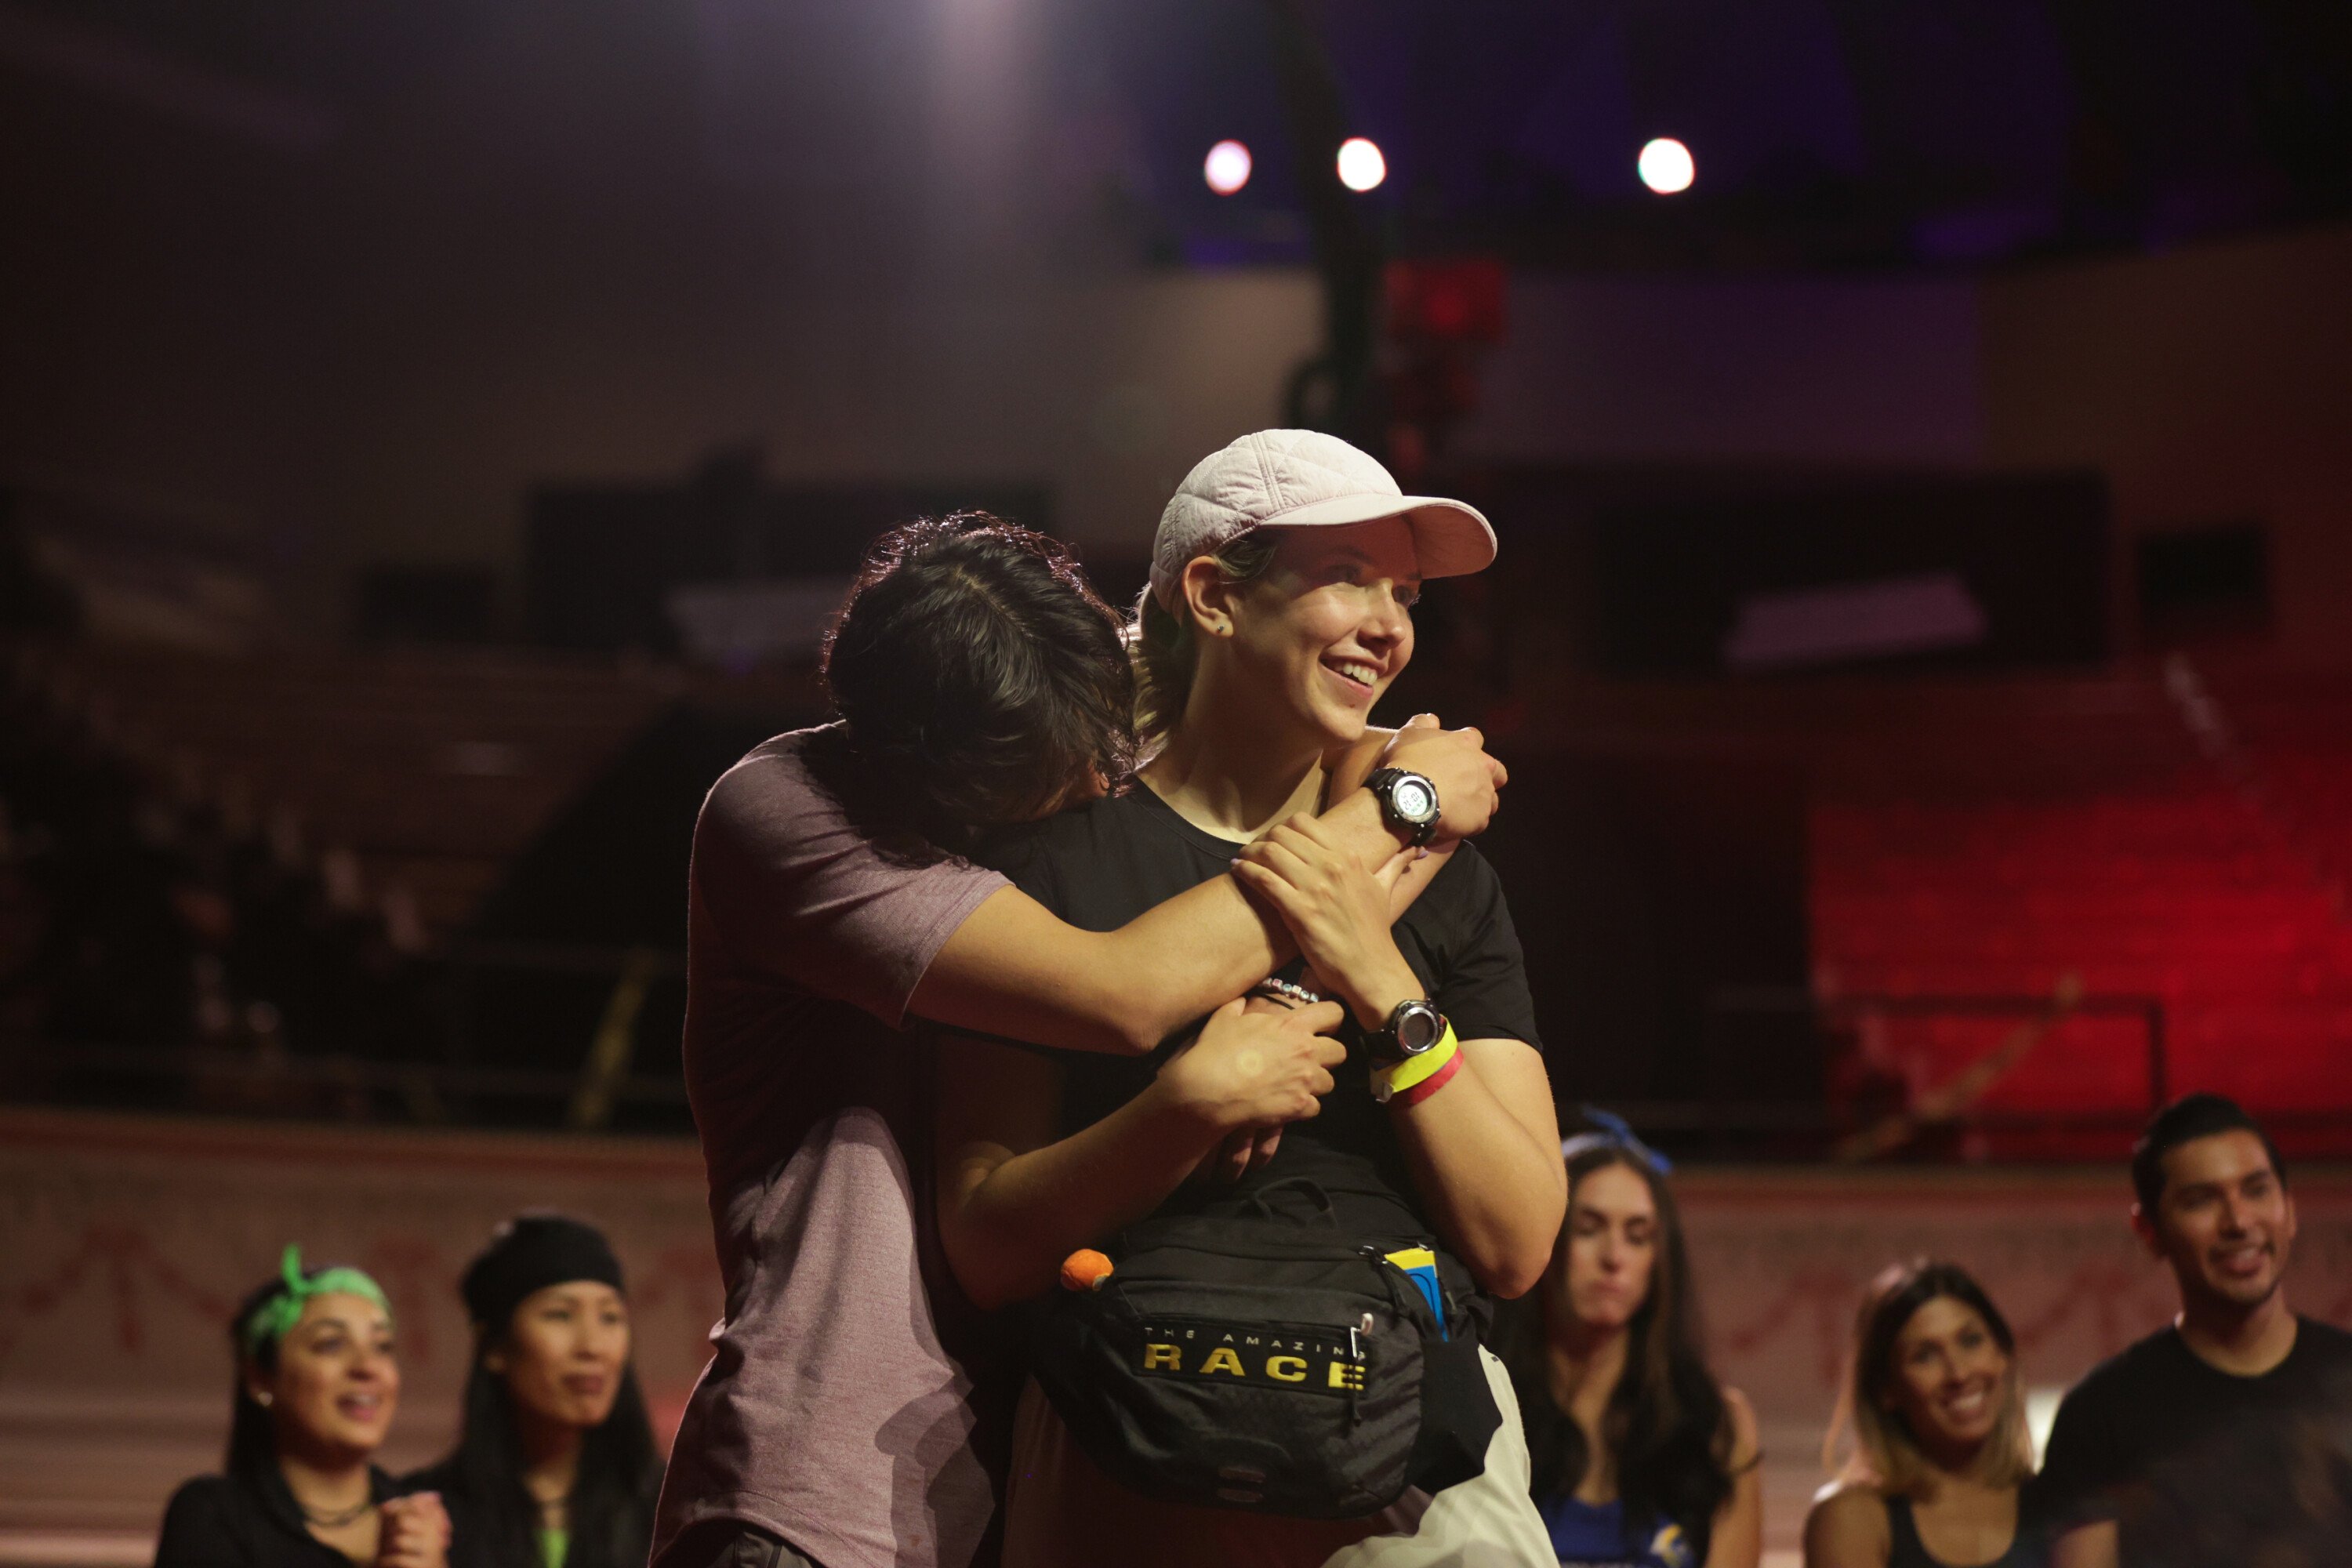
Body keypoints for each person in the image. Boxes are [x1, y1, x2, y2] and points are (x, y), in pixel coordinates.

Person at [655, 512, 1508, 1568]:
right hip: (820, 1502)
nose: (1098, 789)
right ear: (945, 766)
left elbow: (1245, 712)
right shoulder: (792, 814)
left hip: (1005, 1480)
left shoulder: (1028, 730)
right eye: (1066, 776)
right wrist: (1403, 807)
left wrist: (1374, 782)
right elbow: (1130, 990)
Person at [936, 428, 1566, 1564]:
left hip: (1409, 1488)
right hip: (1127, 1465)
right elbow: (985, 1243)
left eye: (1407, 594)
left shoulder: (1448, 874)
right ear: (1215, 597)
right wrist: (1182, 1113)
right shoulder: (1051, 862)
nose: (1391, 625)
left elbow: (1519, 1240)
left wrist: (1382, 981)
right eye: (1348, 579)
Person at [2035, 1093, 2352, 1567]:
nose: (2239, 1222)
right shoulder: (2101, 1413)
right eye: (2201, 1200)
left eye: (2256, 1190)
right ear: (2150, 1232)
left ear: (2289, 1209)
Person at [1494, 1121, 1762, 1568]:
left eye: (1638, 1236)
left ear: (1659, 1262)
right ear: (1544, 1239)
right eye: (1588, 1228)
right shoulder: (1486, 1411)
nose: (1614, 1257)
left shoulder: (1716, 1425)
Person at [155, 1247, 449, 1568]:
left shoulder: (432, 1521)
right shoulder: (213, 1515)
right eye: (331, 1344)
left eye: (382, 1347)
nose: (368, 1367)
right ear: (260, 1378)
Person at [407, 1216, 662, 1568]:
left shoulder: (671, 1512)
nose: (593, 1346)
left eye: (610, 1317)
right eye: (559, 1315)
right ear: (495, 1346)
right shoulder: (428, 1517)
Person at [1805, 1261, 2038, 1568]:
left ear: (2002, 1356)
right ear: (1886, 1390)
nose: (1958, 1373)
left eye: (1970, 1341)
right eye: (1924, 1356)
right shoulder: (1853, 1518)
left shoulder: (2059, 1505)